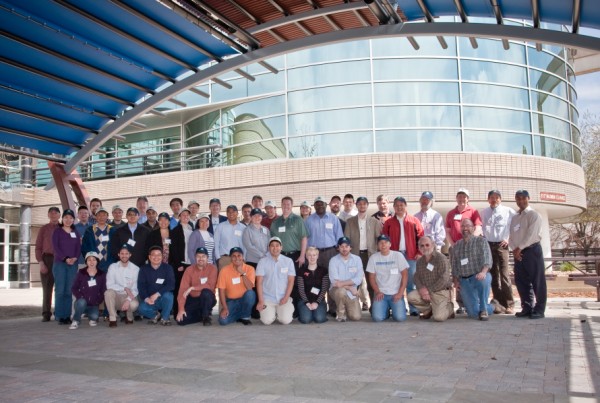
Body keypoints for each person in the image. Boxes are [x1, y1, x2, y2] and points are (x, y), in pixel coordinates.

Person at [382, 196, 424, 316]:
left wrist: (419, 253)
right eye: (397, 205)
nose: (399, 207)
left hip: (411, 256)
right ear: (394, 207)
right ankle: (399, 307)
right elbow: (384, 239)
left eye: (401, 205)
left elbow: (421, 237)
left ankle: (414, 309)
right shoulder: (388, 222)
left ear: (405, 206)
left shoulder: (414, 220)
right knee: (396, 283)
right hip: (394, 257)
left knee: (411, 283)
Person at [509, 190, 547, 319]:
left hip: (532, 250)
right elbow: (511, 235)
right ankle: (527, 307)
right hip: (518, 253)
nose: (521, 201)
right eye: (518, 198)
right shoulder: (515, 217)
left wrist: (519, 248)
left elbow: (531, 235)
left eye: (523, 198)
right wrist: (514, 249)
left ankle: (539, 309)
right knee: (521, 281)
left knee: (537, 281)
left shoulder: (533, 215)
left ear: (528, 198)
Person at [445, 188, 482, 315]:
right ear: (456, 198)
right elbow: (448, 231)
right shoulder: (451, 213)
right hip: (456, 248)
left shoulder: (473, 211)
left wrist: (471, 242)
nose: (461, 199)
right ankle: (461, 303)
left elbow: (478, 228)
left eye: (464, 196)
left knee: (471, 273)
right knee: (457, 273)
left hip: (470, 248)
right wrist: (454, 245)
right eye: (459, 196)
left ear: (468, 199)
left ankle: (473, 301)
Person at [451, 219, 495, 321]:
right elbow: (454, 265)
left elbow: (487, 259)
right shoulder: (457, 245)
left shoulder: (481, 241)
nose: (465, 228)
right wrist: (455, 280)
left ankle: (484, 309)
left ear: (473, 228)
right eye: (462, 226)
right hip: (464, 281)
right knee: (473, 313)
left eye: (468, 226)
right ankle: (493, 307)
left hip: (478, 276)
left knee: (484, 280)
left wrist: (483, 272)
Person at [481, 189, 516, 314]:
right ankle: (498, 303)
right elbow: (482, 228)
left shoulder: (508, 211)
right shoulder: (484, 212)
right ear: (488, 199)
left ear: (500, 199)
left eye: (496, 197)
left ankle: (509, 303)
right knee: (493, 275)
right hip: (489, 245)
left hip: (502, 245)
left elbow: (515, 226)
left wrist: (509, 239)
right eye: (491, 197)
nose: (494, 200)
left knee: (504, 274)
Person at [344, 196, 382, 311]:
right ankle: (351, 307)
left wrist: (378, 254)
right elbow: (346, 239)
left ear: (367, 205)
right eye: (360, 204)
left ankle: (375, 307)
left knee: (371, 281)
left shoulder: (375, 222)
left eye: (364, 204)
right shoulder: (350, 221)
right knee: (353, 281)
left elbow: (379, 239)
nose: (362, 206)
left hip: (370, 255)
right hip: (354, 255)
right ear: (356, 205)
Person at [407, 236, 455, 322]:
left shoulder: (441, 258)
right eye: (422, 245)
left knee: (439, 317)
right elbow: (416, 277)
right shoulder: (420, 261)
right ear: (419, 247)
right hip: (426, 292)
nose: (424, 247)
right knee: (411, 296)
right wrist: (421, 289)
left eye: (427, 245)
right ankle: (428, 311)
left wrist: (428, 290)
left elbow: (444, 279)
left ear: (433, 245)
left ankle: (450, 308)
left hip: (440, 291)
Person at [147, 212, 186, 314]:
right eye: (161, 220)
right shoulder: (152, 234)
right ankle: (158, 310)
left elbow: (179, 249)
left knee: (172, 286)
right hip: (157, 265)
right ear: (158, 221)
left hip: (171, 265)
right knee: (158, 286)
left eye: (166, 220)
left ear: (169, 222)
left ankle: (173, 308)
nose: (163, 222)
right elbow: (149, 250)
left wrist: (179, 264)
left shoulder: (174, 233)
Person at [366, 234, 409, 322]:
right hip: (381, 294)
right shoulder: (373, 258)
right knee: (377, 318)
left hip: (395, 293)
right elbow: (371, 278)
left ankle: (398, 307)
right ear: (377, 246)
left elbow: (405, 275)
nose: (383, 245)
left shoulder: (398, 255)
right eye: (380, 243)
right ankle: (386, 311)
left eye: (386, 242)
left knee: (400, 318)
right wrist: (377, 292)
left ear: (390, 244)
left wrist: (400, 293)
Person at [256, 237, 296, 325]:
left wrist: (286, 298)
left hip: (283, 298)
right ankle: (273, 312)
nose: (275, 248)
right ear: (268, 248)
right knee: (267, 321)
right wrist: (261, 300)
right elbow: (259, 283)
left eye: (277, 245)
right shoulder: (262, 262)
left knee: (285, 320)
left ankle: (282, 311)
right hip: (268, 298)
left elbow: (291, 281)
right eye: (272, 246)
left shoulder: (288, 261)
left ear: (281, 247)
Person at [52, 209, 81, 325]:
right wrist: (65, 258)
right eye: (66, 218)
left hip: (72, 265)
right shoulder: (57, 231)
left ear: (73, 220)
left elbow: (78, 247)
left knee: (69, 291)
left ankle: (67, 315)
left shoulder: (75, 232)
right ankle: (60, 315)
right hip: (60, 264)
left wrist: (75, 258)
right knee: (60, 291)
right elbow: (56, 247)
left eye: (71, 218)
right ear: (62, 219)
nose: (68, 220)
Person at [176, 247, 218, 326]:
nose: (201, 259)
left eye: (203, 256)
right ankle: (200, 316)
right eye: (198, 256)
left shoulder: (213, 268)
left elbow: (210, 286)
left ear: (207, 258)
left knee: (206, 292)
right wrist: (181, 309)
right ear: (195, 257)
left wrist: (193, 288)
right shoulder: (189, 270)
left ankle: (206, 317)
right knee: (181, 321)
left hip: (207, 298)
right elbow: (182, 290)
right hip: (193, 299)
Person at [217, 247, 256, 326]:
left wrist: (242, 273)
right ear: (230, 258)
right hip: (231, 301)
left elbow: (249, 288)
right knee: (223, 321)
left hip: (244, 299)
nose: (237, 258)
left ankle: (245, 316)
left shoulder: (250, 269)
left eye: (239, 255)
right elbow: (221, 291)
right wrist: (225, 308)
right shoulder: (224, 270)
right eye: (234, 256)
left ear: (242, 257)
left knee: (250, 294)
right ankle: (240, 315)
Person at [328, 236, 364, 322]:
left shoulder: (357, 259)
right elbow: (335, 282)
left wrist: (343, 284)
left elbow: (358, 279)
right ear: (338, 248)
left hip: (351, 293)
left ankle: (347, 308)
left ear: (350, 247)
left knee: (356, 317)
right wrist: (350, 287)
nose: (344, 249)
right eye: (342, 246)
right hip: (336, 290)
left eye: (346, 246)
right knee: (341, 292)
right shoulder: (333, 260)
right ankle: (341, 314)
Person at [137, 246, 175, 325]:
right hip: (150, 300)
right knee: (141, 308)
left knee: (169, 296)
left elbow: (171, 285)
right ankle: (155, 315)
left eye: (159, 255)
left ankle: (165, 318)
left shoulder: (168, 268)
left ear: (162, 256)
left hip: (162, 298)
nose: (156, 257)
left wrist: (157, 294)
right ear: (149, 257)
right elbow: (141, 286)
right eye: (153, 255)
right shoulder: (143, 269)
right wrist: (147, 298)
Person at [104, 244, 140, 327]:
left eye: (126, 253)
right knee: (108, 293)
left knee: (134, 304)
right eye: (122, 253)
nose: (124, 256)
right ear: (118, 254)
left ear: (130, 255)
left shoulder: (135, 269)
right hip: (116, 296)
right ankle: (113, 319)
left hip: (129, 296)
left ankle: (129, 316)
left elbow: (135, 289)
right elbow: (109, 285)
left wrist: (128, 300)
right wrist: (124, 288)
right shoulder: (113, 267)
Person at [69, 252, 107, 330]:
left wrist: (98, 301)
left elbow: (103, 290)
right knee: (81, 303)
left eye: (94, 260)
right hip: (81, 302)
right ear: (86, 262)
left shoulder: (102, 274)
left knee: (95, 316)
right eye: (89, 260)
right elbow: (74, 288)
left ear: (97, 261)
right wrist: (80, 297)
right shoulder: (81, 272)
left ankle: (91, 318)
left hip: (93, 304)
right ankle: (76, 320)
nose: (91, 262)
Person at [35, 206, 60, 322]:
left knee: (60, 288)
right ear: (48, 215)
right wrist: (41, 263)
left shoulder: (63, 228)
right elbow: (38, 247)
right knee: (47, 288)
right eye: (51, 213)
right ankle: (46, 313)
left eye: (56, 213)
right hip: (47, 259)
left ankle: (59, 312)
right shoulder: (44, 229)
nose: (53, 215)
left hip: (60, 260)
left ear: (59, 215)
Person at [306, 196, 343, 268]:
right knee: (316, 273)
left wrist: (339, 250)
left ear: (326, 205)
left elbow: (339, 236)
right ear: (314, 206)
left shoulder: (334, 218)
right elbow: (305, 238)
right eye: (317, 204)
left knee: (331, 273)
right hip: (314, 254)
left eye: (322, 204)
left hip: (331, 252)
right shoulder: (309, 220)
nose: (320, 206)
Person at [296, 247, 329, 324]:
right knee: (306, 319)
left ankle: (316, 311)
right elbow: (301, 290)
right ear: (306, 256)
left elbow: (324, 289)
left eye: (314, 255)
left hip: (319, 300)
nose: (312, 257)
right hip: (304, 300)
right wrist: (307, 302)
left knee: (319, 319)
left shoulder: (324, 271)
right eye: (309, 255)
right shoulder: (301, 271)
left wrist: (317, 302)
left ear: (317, 256)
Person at [214, 205, 246, 270]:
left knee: (239, 276)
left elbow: (245, 245)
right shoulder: (220, 226)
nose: (231, 213)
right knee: (224, 277)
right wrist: (218, 258)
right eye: (229, 212)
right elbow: (216, 243)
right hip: (224, 259)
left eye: (233, 211)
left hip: (239, 259)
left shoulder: (243, 227)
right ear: (226, 214)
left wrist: (244, 258)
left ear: (237, 213)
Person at [81, 207, 112, 272]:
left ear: (107, 216)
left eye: (104, 215)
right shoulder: (89, 230)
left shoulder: (112, 230)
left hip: (109, 264)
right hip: (94, 265)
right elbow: (84, 247)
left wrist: (113, 260)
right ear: (95, 217)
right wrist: (89, 260)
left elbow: (116, 247)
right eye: (99, 215)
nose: (101, 217)